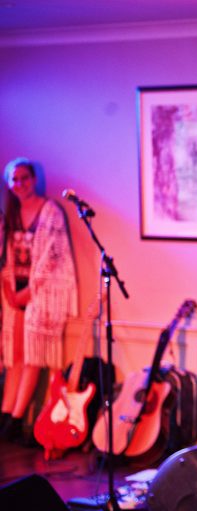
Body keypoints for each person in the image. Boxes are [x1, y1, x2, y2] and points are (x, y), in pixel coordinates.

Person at [0, 158, 78, 442]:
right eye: (14, 179)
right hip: (15, 289)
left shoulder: (50, 211)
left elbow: (53, 256)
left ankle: (18, 417)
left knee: (34, 355)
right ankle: (6, 413)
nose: (20, 184)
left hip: (41, 294)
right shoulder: (10, 214)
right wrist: (10, 290)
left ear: (34, 180)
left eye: (25, 178)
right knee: (15, 357)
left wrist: (29, 291)